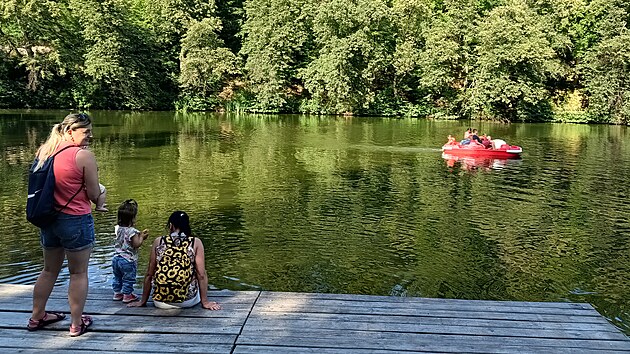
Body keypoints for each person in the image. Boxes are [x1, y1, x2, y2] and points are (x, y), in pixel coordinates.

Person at [27, 112, 102, 337]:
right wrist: (102, 192)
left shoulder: (45, 151)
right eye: (85, 131)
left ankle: (37, 316)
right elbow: (94, 194)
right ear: (70, 131)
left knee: (49, 270)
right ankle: (76, 323)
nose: (90, 135)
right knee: (78, 273)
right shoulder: (82, 156)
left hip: (48, 220)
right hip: (75, 220)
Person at [128, 211, 221, 310]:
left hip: (161, 301)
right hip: (187, 301)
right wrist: (205, 302)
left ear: (171, 225)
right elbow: (201, 275)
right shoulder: (195, 242)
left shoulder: (159, 241)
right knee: (201, 273)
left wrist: (142, 301)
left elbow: (149, 275)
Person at [112, 199, 149, 303]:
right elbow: (136, 244)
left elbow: (124, 240)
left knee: (117, 277)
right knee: (129, 278)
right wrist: (141, 237)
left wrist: (139, 235)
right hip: (127, 260)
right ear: (132, 219)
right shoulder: (132, 231)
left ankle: (117, 293)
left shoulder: (118, 228)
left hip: (116, 258)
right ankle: (127, 295)